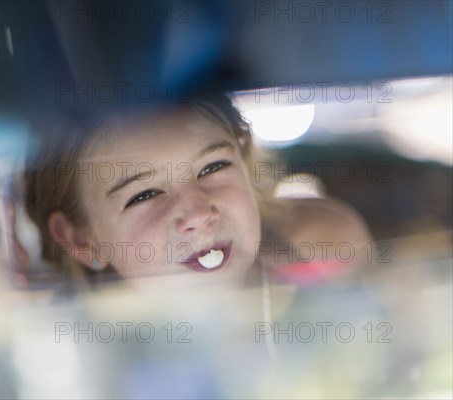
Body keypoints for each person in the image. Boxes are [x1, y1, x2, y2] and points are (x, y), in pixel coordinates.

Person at [21, 94, 370, 291]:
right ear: (82, 240)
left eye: (212, 167)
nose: (200, 213)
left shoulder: (317, 250)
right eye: (143, 195)